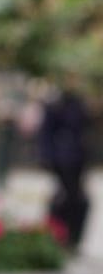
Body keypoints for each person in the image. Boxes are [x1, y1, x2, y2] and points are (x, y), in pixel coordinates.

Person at [38, 86, 91, 250]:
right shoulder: (56, 104)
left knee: (77, 198)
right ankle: (59, 236)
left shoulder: (79, 102)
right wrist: (47, 156)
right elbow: (46, 132)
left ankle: (71, 237)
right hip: (61, 158)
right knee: (65, 197)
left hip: (77, 158)